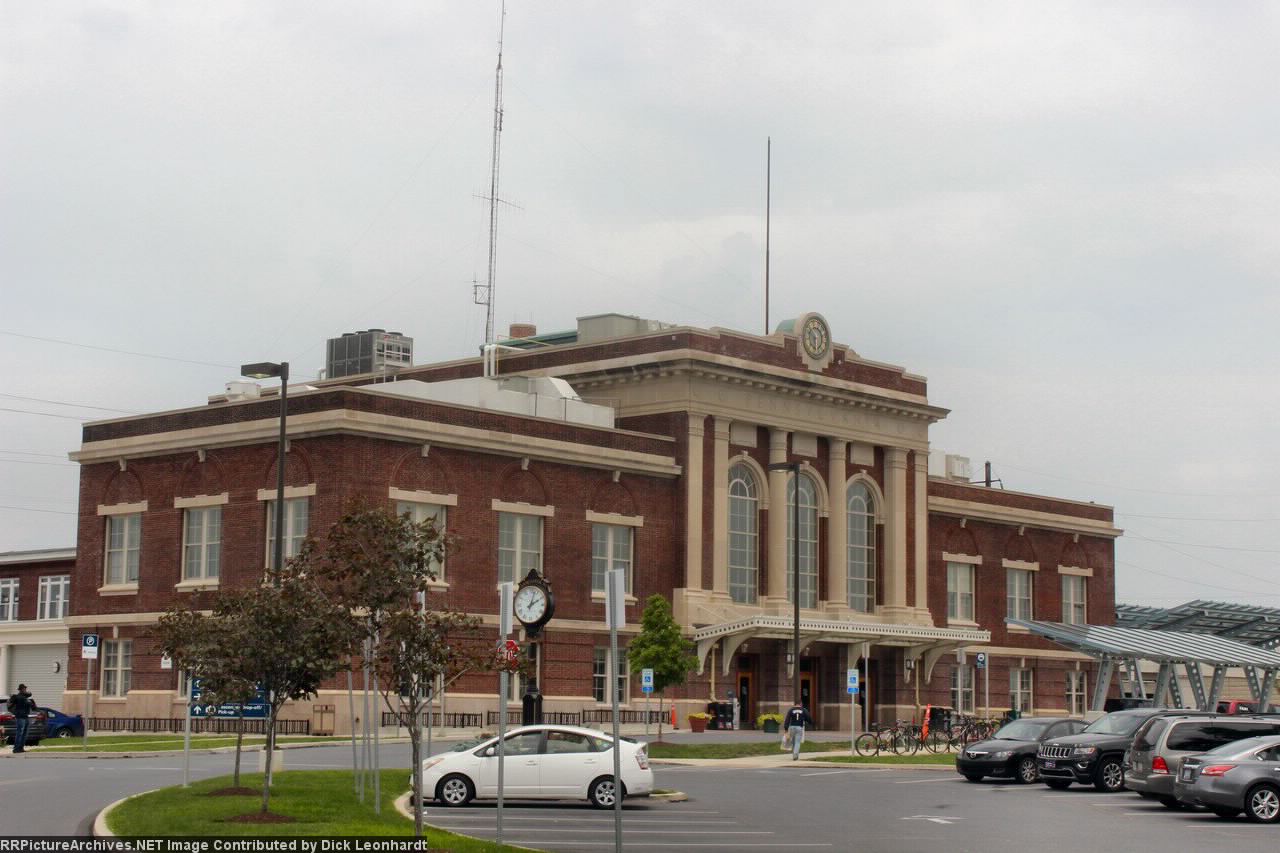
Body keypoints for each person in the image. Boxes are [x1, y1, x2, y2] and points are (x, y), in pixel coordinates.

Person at [7, 683, 35, 753]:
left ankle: (21, 748)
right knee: (20, 733)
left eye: (25, 688)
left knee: (25, 733)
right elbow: (9, 705)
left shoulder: (25, 696)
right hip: (20, 717)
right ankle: (16, 748)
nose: (25, 689)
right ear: (20, 689)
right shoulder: (17, 697)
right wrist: (15, 712)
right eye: (24, 688)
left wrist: (26, 693)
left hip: (26, 716)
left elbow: (30, 694)